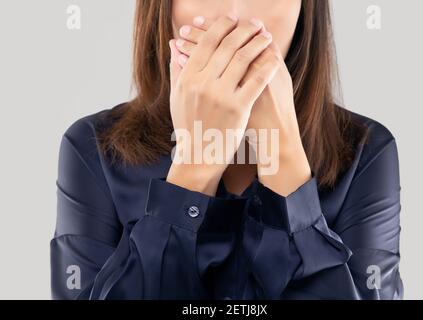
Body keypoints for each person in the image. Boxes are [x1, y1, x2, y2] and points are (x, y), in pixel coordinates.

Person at [51, 0, 403, 299]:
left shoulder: (365, 150)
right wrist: (194, 166)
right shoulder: (94, 147)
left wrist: (283, 156)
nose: (235, 17)